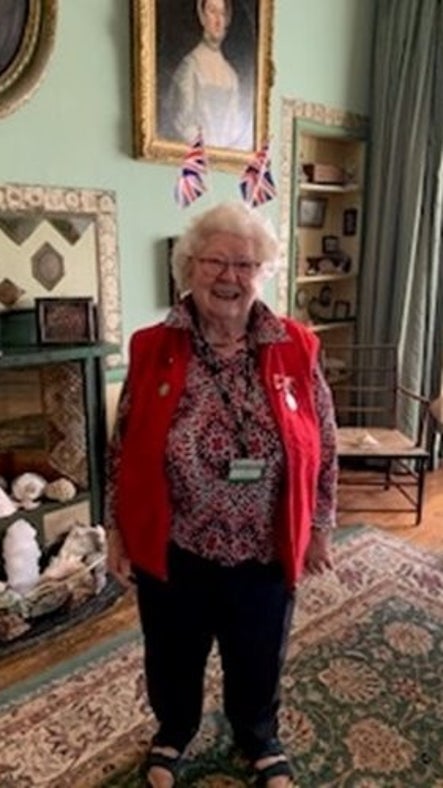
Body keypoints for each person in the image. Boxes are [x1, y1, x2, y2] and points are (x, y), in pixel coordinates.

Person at [106, 201, 337, 788]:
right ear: (190, 266)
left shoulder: (296, 346)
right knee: (172, 652)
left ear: (263, 273)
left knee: (258, 652)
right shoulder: (150, 345)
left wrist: (321, 528)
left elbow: (326, 445)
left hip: (264, 546)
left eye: (246, 264)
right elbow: (121, 446)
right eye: (215, 261)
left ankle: (257, 735)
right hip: (177, 542)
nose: (230, 277)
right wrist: (117, 532)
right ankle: (173, 731)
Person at [164, 0, 251, 149]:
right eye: (212, 11)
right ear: (202, 17)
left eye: (222, 13)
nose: (218, 20)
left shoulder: (231, 75)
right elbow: (181, 122)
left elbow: (234, 127)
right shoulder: (190, 66)